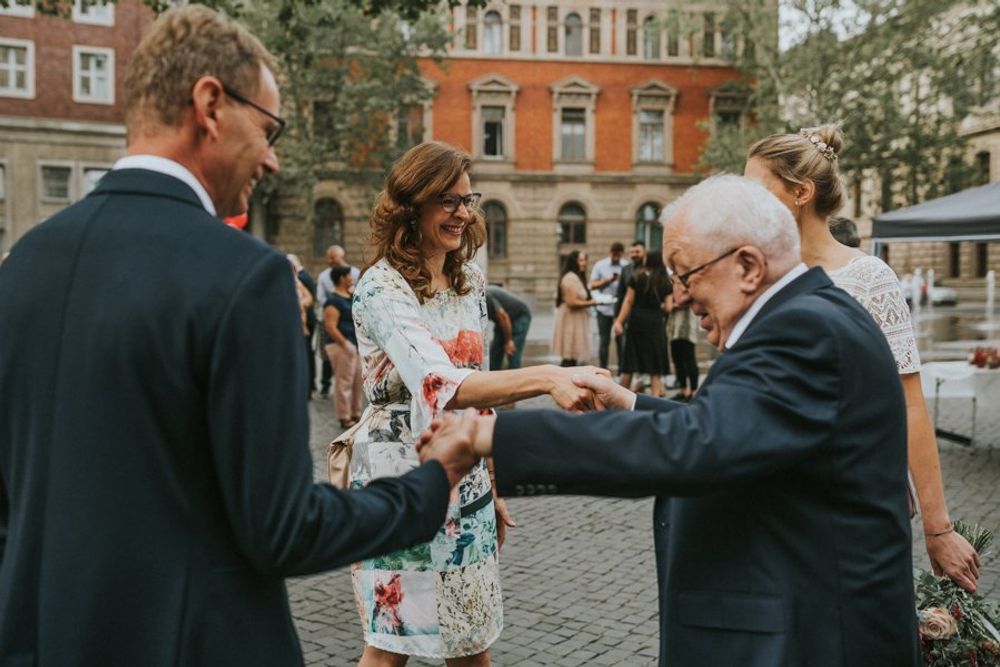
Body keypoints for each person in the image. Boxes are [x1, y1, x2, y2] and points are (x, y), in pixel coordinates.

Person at [0, 7, 478, 665]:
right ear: (210, 105)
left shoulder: (25, 262)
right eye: (267, 127)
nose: (273, 158)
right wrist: (428, 484)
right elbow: (283, 529)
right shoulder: (243, 278)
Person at [421, 175, 921, 667]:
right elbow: (738, 428)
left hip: (813, 639)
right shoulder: (814, 313)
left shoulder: (804, 329)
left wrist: (489, 434)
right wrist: (631, 403)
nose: (677, 296)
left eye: (685, 274)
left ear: (747, 265)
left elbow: (697, 444)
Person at [350, 141, 599, 666]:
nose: (463, 213)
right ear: (411, 205)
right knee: (389, 643)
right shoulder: (380, 289)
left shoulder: (469, 281)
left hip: (467, 477)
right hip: (399, 479)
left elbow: (477, 389)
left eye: (469, 200)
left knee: (471, 640)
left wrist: (491, 480)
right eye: (448, 200)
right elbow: (442, 383)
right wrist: (548, 376)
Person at [745, 124, 981, 593]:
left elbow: (909, 404)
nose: (743, 206)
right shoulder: (758, 276)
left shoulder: (869, 279)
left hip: (852, 506)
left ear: (801, 193)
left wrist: (938, 529)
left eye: (755, 192)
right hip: (773, 505)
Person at [613, 250, 671, 397]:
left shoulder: (636, 277)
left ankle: (619, 399)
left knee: (630, 362)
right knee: (655, 365)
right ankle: (656, 401)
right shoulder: (665, 281)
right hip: (655, 322)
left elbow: (628, 301)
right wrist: (660, 307)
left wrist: (619, 321)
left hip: (636, 321)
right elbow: (669, 307)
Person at [317, 244, 361, 396]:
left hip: (350, 319)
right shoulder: (323, 276)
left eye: (332, 257)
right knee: (327, 356)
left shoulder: (355, 273)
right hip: (332, 316)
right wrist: (337, 300)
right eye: (328, 257)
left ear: (341, 256)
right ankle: (325, 385)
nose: (330, 260)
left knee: (354, 356)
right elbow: (321, 298)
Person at [324, 265, 363, 428]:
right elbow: (330, 327)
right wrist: (345, 344)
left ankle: (356, 413)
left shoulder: (350, 295)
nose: (352, 278)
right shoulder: (333, 301)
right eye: (348, 275)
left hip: (354, 345)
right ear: (341, 278)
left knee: (357, 381)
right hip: (341, 345)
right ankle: (344, 416)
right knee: (344, 382)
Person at [552, 249, 597, 367]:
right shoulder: (570, 278)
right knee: (569, 357)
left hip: (575, 319)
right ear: (574, 262)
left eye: (584, 260)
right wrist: (592, 303)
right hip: (570, 320)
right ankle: (562, 382)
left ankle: (565, 382)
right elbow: (571, 302)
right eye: (581, 260)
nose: (584, 263)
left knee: (572, 357)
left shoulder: (576, 277)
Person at [589, 242, 627, 370]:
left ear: (622, 254)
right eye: (613, 255)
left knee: (621, 342)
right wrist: (608, 280)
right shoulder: (600, 265)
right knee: (604, 341)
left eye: (618, 255)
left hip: (621, 310)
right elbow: (592, 285)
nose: (616, 258)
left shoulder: (626, 266)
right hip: (604, 309)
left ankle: (623, 369)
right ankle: (603, 369)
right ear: (610, 252)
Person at [289, 252, 319, 397]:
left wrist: (298, 305)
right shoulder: (293, 281)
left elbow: (309, 298)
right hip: (298, 323)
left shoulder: (297, 281)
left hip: (301, 324)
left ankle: (306, 387)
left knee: (304, 355)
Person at [485, 284, 531, 370]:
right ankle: (493, 379)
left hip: (519, 316)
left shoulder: (484, 296)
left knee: (512, 352)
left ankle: (515, 380)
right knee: (495, 353)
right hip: (502, 321)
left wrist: (508, 341)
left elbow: (503, 316)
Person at [666, 291, 700, 401]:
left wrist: (672, 304)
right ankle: (683, 390)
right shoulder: (674, 284)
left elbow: (688, 299)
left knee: (689, 360)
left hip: (687, 328)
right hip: (674, 328)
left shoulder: (688, 283)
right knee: (678, 361)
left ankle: (694, 391)